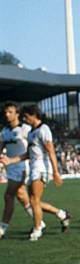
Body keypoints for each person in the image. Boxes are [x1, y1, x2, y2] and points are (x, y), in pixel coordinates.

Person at [0, 104, 70, 240]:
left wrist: (56, 172)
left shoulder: (37, 129)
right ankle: (60, 214)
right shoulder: (29, 132)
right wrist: (10, 161)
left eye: (26, 117)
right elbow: (29, 153)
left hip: (34, 168)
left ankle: (33, 229)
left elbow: (50, 151)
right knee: (30, 201)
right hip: (28, 168)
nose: (25, 119)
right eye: (5, 112)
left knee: (16, 197)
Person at [0, 102, 41, 238]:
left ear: (17, 114)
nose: (7, 114)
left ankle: (2, 228)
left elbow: (34, 147)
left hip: (23, 166)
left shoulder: (25, 129)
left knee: (8, 195)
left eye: (10, 112)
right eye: (5, 112)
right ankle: (51, 218)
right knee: (24, 198)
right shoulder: (4, 131)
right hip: (11, 168)